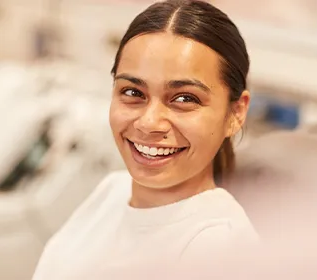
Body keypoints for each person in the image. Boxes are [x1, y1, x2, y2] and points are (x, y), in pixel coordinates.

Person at [32, 0, 258, 279]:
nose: (149, 122)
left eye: (185, 98)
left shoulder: (219, 247)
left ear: (236, 113)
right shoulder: (112, 191)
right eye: (132, 92)